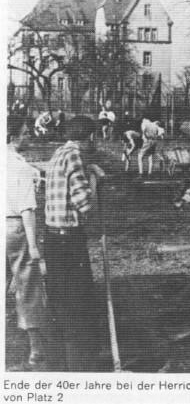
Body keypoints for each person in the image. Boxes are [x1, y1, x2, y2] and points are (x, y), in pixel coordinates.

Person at [44, 117, 104, 372]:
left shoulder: (59, 152)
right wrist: (96, 181)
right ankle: (79, 367)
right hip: (69, 238)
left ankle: (55, 362)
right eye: (96, 136)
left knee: (58, 298)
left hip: (52, 237)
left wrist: (89, 168)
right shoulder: (75, 156)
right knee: (77, 301)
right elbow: (84, 201)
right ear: (88, 137)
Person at [6, 117, 46, 368]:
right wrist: (34, 246)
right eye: (25, 133)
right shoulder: (20, 167)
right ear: (12, 137)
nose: (29, 136)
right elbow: (28, 209)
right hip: (15, 228)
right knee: (27, 286)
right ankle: (36, 350)